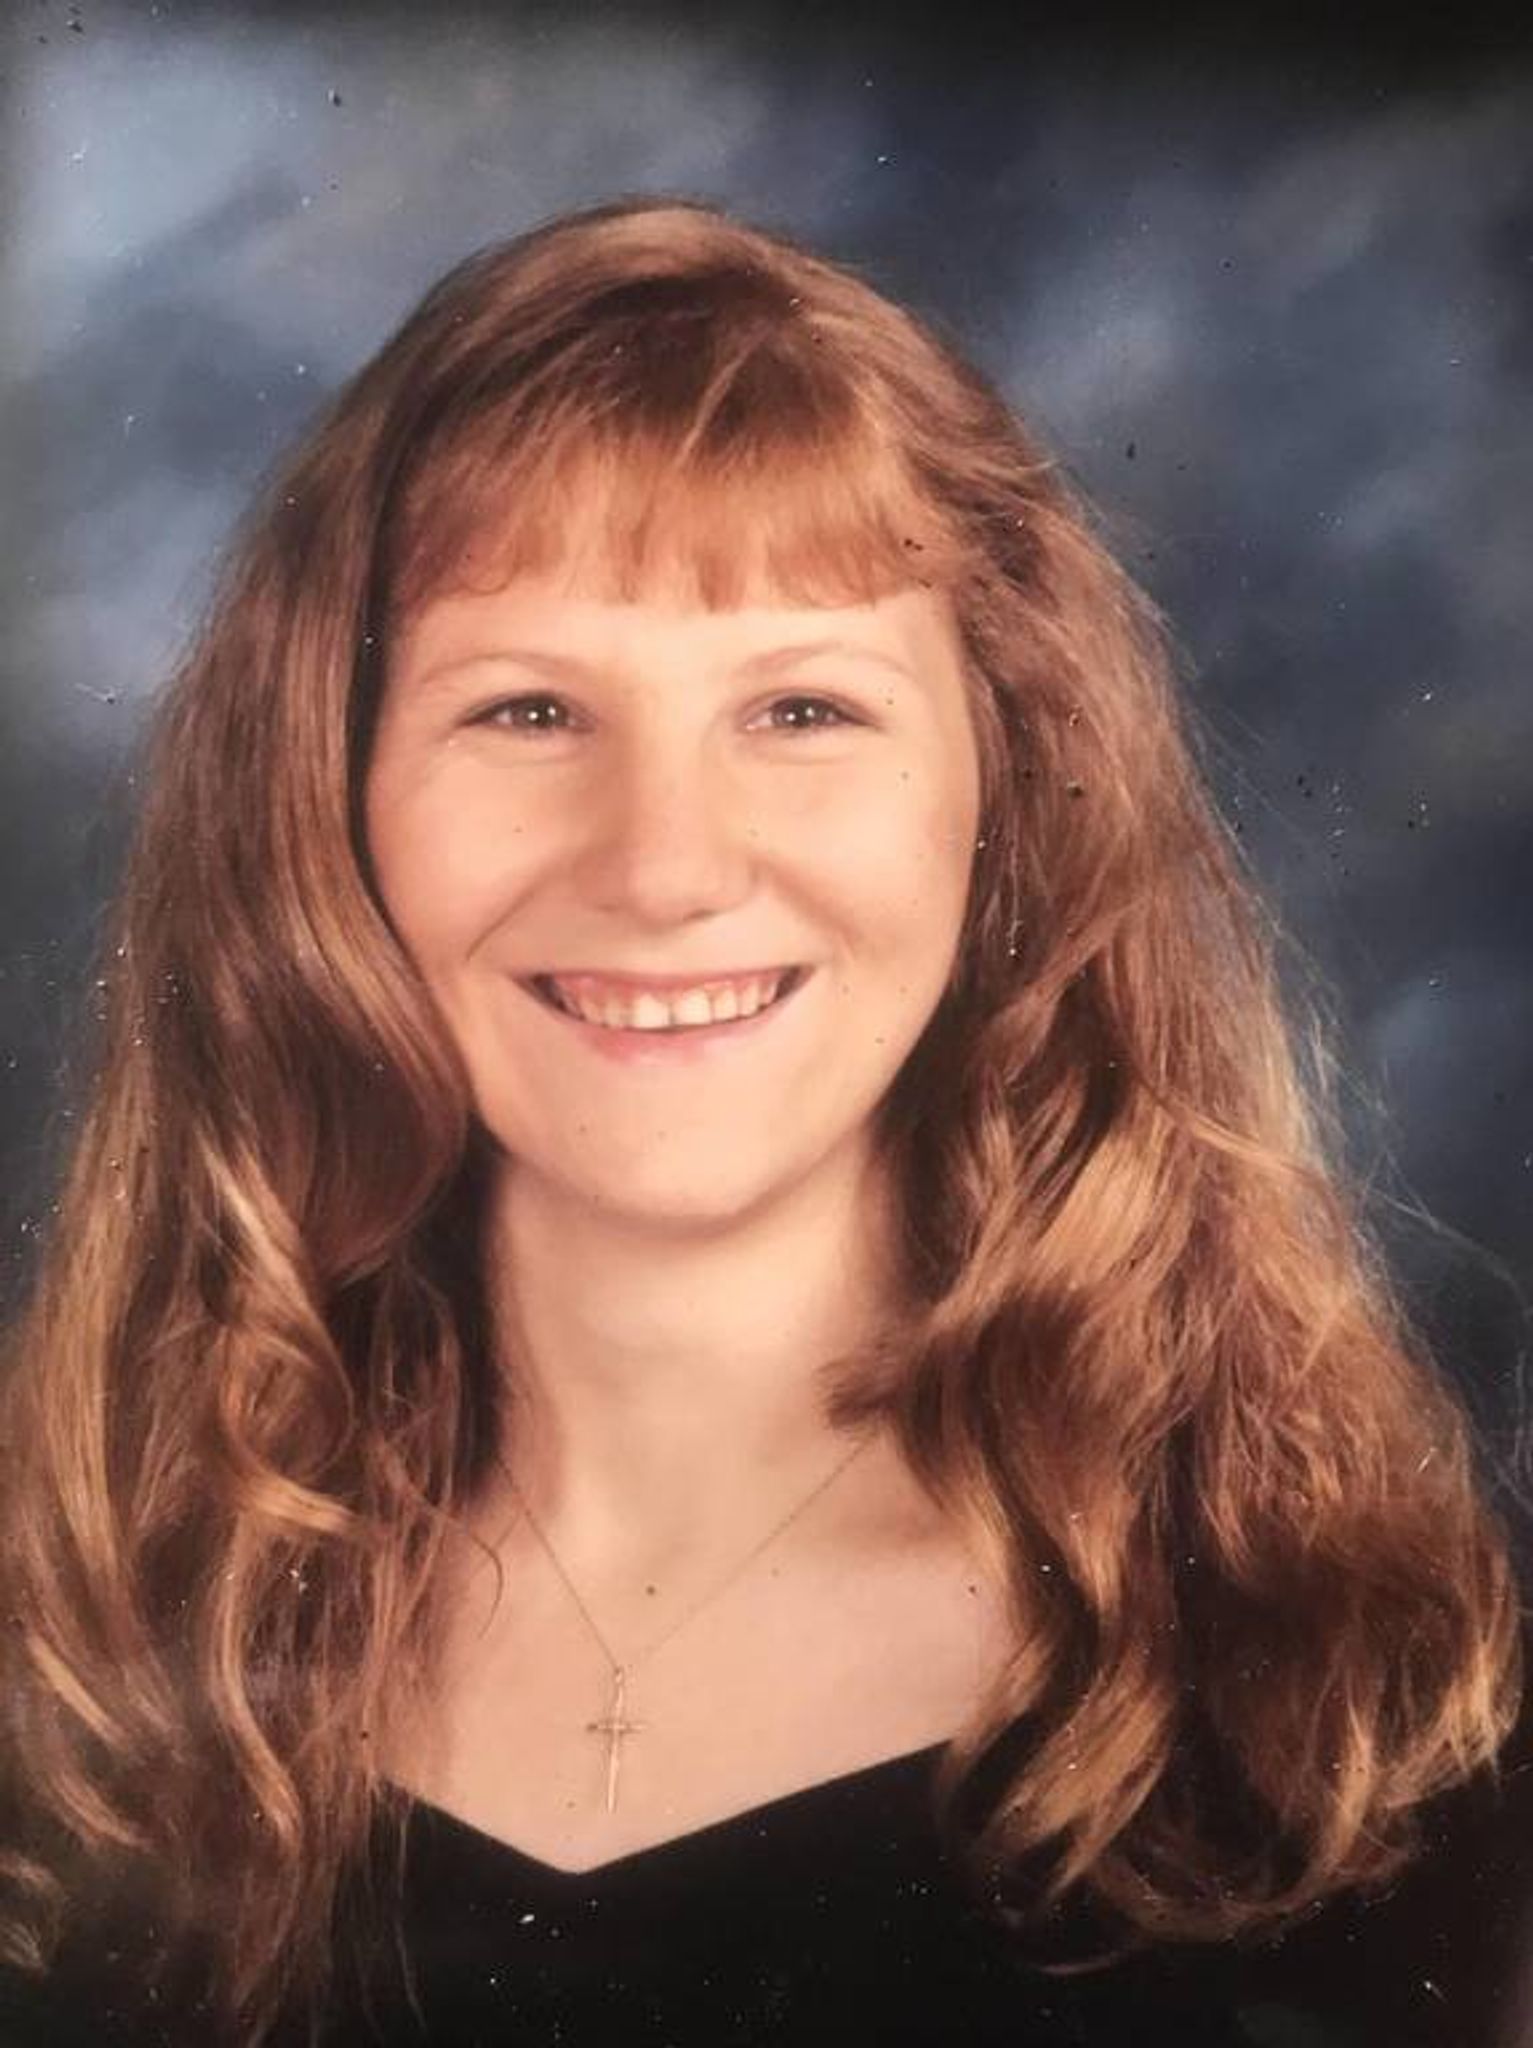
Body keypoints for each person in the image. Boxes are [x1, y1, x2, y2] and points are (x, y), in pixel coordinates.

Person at [0, 195, 1525, 2048]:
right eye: (527, 710)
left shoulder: (1366, 1727)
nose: (663, 867)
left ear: (1005, 799)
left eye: (801, 708)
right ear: (326, 805)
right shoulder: (69, 1672)